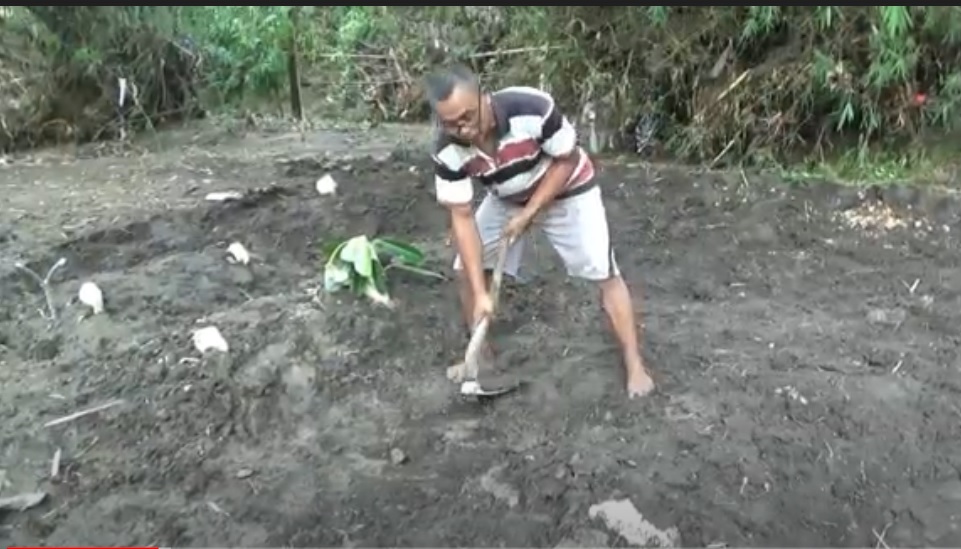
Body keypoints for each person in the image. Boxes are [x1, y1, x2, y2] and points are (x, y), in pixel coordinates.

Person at [425, 64, 655, 398]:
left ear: (483, 97)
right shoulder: (446, 150)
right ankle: (480, 363)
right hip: (506, 196)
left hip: (568, 188)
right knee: (465, 271)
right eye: (452, 123)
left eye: (468, 116)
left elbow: (567, 159)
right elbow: (462, 218)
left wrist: (531, 212)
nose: (464, 129)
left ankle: (635, 366)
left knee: (603, 270)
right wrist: (481, 292)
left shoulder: (531, 109)